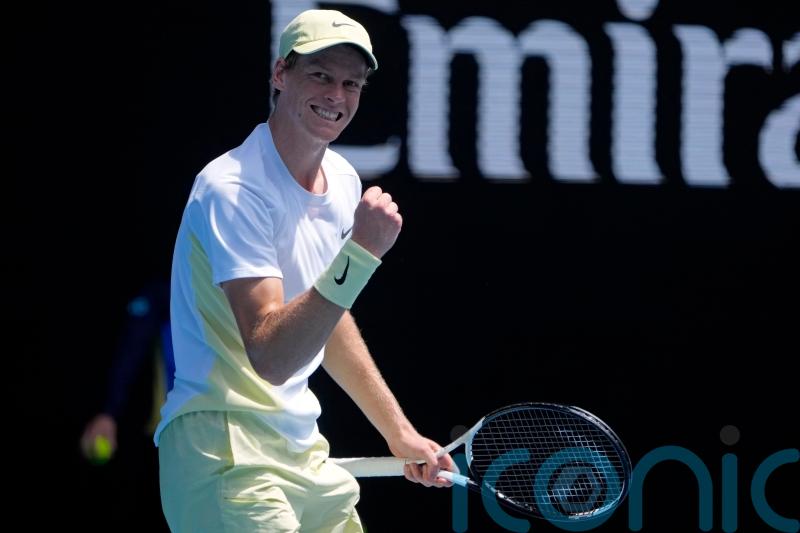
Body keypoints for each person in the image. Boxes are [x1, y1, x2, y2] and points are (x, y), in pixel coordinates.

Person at [155, 9, 455, 532]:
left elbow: (324, 319)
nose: (336, 95)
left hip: (302, 450)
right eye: (320, 75)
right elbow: (271, 355)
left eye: (351, 83)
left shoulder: (342, 181)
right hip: (225, 449)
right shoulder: (233, 190)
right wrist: (360, 256)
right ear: (280, 74)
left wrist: (398, 430)